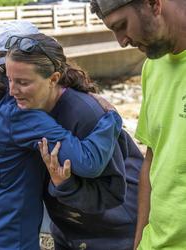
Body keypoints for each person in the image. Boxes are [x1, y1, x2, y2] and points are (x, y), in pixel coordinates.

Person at [0, 22, 143, 250]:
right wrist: (112, 117)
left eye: (22, 80)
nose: (12, 89)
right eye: (8, 75)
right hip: (17, 235)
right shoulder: (18, 110)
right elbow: (88, 161)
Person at [90, 0, 186, 249]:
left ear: (154, 4)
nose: (121, 41)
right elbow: (152, 158)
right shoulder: (151, 68)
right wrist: (139, 240)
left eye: (122, 26)